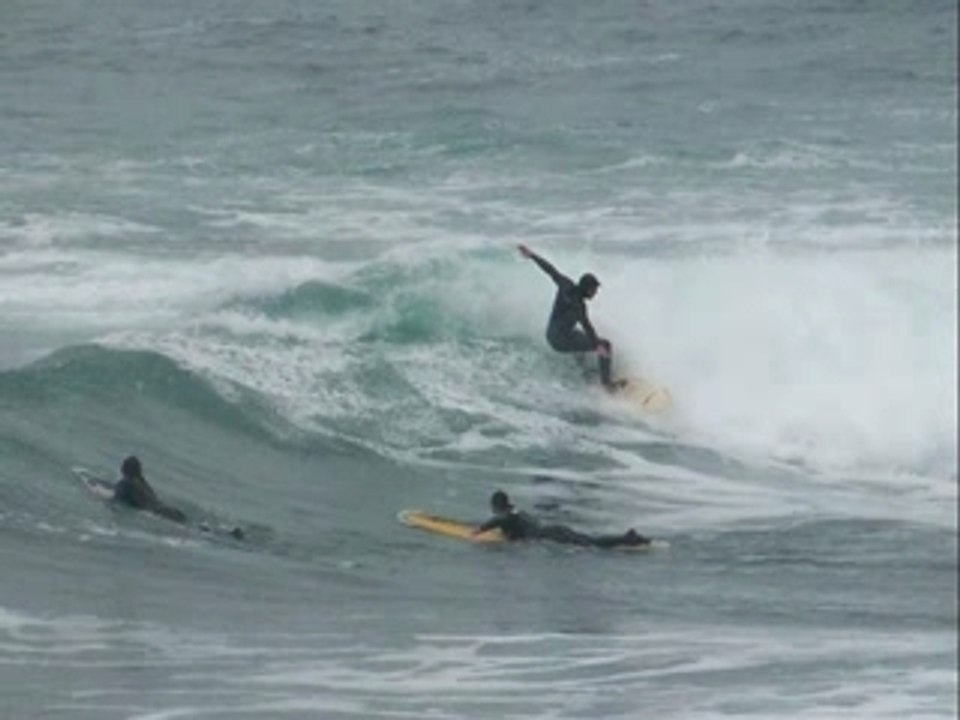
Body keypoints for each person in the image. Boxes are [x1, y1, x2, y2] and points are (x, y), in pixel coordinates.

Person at [518, 244, 622, 390]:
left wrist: (532, 255)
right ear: (588, 289)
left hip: (552, 335)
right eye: (595, 290)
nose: (596, 293)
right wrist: (598, 346)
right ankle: (607, 385)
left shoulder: (566, 284)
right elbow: (588, 327)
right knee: (605, 344)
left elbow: (551, 270)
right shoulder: (579, 306)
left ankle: (585, 374)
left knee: (579, 338)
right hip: (561, 341)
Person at [473, 490, 650, 548]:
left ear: (497, 505)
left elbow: (500, 519)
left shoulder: (506, 515)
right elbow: (506, 521)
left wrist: (479, 530)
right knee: (589, 541)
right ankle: (626, 538)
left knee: (591, 544)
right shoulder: (517, 512)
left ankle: (627, 539)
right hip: (553, 530)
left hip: (549, 535)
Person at [112, 455, 187, 524]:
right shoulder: (143, 482)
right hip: (167, 509)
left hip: (155, 512)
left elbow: (115, 498)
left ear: (125, 468)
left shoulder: (127, 483)